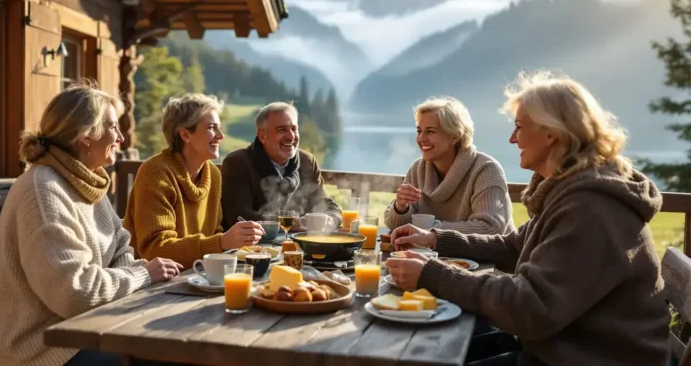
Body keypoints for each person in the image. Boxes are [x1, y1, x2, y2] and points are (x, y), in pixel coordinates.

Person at [386, 72, 670, 365]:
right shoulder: (574, 189)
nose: (512, 138)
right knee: (431, 350)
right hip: (560, 347)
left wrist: (432, 273)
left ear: (551, 133)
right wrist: (435, 239)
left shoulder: (591, 207)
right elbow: (515, 245)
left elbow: (529, 309)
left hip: (586, 358)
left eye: (519, 127)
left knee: (423, 353)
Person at [0, 84, 181, 366]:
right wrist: (142, 276)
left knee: (177, 342)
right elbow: (75, 292)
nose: (122, 137)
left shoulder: (83, 180)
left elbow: (119, 243)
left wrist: (130, 279)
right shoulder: (44, 191)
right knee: (170, 355)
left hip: (85, 329)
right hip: (43, 350)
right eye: (113, 127)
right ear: (86, 136)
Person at [124, 93, 263, 269]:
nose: (220, 136)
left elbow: (215, 233)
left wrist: (233, 242)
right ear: (185, 134)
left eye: (219, 127)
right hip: (151, 284)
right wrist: (222, 242)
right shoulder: (155, 173)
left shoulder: (212, 173)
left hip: (198, 274)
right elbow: (155, 250)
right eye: (212, 127)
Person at [384, 97, 514, 235]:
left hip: (488, 256)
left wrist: (431, 231)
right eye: (419, 131)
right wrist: (400, 207)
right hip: (434, 254)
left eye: (431, 131)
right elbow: (396, 225)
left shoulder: (486, 170)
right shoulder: (418, 169)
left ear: (455, 135)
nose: (421, 138)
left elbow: (490, 227)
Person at [221, 102, 342, 231]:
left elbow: (328, 205)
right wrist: (291, 223)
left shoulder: (307, 161)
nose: (291, 136)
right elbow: (239, 216)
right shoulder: (238, 162)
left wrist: (330, 220)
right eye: (282, 130)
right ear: (262, 136)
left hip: (297, 247)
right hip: (251, 247)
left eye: (294, 129)